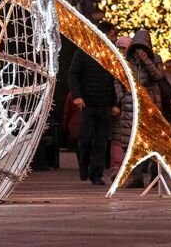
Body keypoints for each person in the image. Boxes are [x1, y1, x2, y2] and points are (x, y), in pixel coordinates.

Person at [69, 21, 119, 186]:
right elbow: (73, 74)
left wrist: (114, 103)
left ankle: (96, 174)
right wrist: (77, 96)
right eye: (113, 35)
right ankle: (84, 163)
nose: (114, 38)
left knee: (101, 141)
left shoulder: (112, 55)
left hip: (105, 104)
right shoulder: (84, 52)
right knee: (85, 138)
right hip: (87, 104)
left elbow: (115, 80)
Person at [124, 30, 165, 187]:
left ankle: (155, 175)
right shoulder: (128, 61)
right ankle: (137, 177)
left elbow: (158, 76)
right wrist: (122, 96)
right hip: (132, 104)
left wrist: (146, 60)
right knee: (134, 141)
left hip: (151, 103)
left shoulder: (156, 58)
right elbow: (119, 79)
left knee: (153, 141)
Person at [110, 35, 133, 173]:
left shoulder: (134, 64)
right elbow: (112, 84)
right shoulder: (115, 64)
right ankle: (117, 166)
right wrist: (117, 102)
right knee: (118, 138)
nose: (121, 51)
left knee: (129, 139)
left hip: (131, 106)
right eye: (119, 48)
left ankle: (128, 168)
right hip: (120, 107)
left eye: (123, 48)